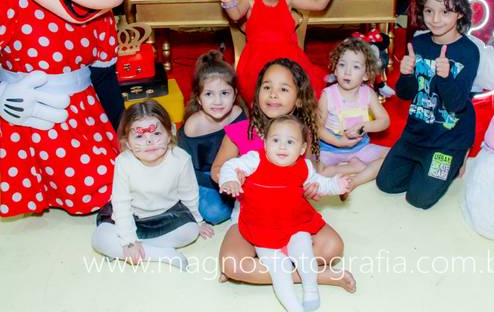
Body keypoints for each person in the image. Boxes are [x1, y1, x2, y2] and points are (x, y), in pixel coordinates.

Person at [211, 59, 355, 291]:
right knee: (231, 265)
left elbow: (309, 175)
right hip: (250, 218)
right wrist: (231, 178)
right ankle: (315, 276)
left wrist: (313, 189)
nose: (273, 94)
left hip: (292, 218)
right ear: (258, 92)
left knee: (332, 248)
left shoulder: (302, 135)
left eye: (284, 89)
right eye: (267, 87)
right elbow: (217, 168)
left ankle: (267, 267)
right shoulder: (240, 131)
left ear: (298, 99)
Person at [220, 115, 351, 312]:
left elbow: (320, 183)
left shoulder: (304, 166)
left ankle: (311, 290)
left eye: (290, 142)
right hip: (262, 229)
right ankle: (294, 307)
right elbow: (230, 165)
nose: (282, 147)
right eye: (275, 140)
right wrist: (230, 179)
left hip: (295, 224)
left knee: (304, 254)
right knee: (279, 271)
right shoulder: (255, 159)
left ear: (302, 149)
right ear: (265, 144)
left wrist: (336, 185)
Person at [204, 0, 352, 103]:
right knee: (262, 95)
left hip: (289, 61)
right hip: (256, 64)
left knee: (296, 94)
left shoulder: (288, 0)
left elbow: (319, 4)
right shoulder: (250, 1)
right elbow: (234, 14)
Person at [377, 0, 478, 209]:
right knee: (386, 184)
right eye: (429, 11)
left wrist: (445, 77)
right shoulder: (418, 43)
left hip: (449, 140)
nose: (435, 19)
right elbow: (404, 94)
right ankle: (422, 165)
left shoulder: (469, 51)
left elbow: (456, 105)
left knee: (418, 199)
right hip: (416, 134)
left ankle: (458, 158)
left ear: (460, 13)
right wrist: (406, 73)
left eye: (445, 12)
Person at [91, 100, 213, 268]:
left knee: (191, 232)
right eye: (139, 136)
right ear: (127, 142)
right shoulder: (123, 162)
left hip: (166, 216)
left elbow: (189, 194)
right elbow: (121, 203)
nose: (149, 141)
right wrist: (129, 241)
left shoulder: (180, 158)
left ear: (170, 133)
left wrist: (198, 221)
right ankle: (161, 254)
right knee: (99, 238)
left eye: (156, 134)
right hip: (131, 216)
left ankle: (121, 249)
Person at [177, 51, 246, 224]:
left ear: (235, 94)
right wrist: (220, 181)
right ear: (199, 98)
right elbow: (187, 169)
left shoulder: (237, 113)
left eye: (225, 93)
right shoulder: (193, 126)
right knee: (215, 213)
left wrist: (237, 174)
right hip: (204, 178)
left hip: (233, 168)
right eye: (209, 94)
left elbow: (245, 149)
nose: (218, 101)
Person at [317, 37, 390, 191]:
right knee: (311, 169)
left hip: (360, 148)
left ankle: (355, 180)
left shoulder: (368, 93)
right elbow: (317, 127)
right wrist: (337, 142)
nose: (347, 71)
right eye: (342, 65)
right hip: (330, 150)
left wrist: (364, 126)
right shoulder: (327, 95)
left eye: (356, 66)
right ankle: (347, 168)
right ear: (335, 69)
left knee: (392, 156)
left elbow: (384, 121)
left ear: (366, 75)